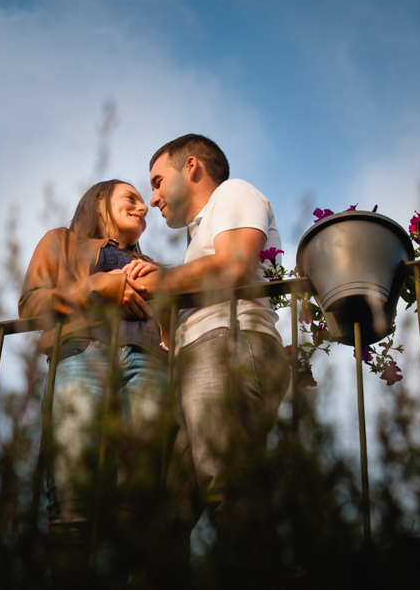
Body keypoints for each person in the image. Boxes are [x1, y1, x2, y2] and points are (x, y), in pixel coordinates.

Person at [130, 134, 289, 587]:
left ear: (192, 167)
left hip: (227, 345)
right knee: (168, 519)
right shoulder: (197, 235)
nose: (153, 198)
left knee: (226, 481)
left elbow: (234, 264)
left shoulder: (233, 194)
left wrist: (160, 281)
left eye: (158, 181)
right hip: (202, 357)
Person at [18, 180, 168, 588]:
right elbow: (31, 305)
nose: (143, 208)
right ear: (100, 201)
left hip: (150, 364)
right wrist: (99, 287)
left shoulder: (152, 264)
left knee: (136, 506)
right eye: (131, 198)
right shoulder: (61, 242)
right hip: (83, 353)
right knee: (72, 497)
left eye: (144, 203)